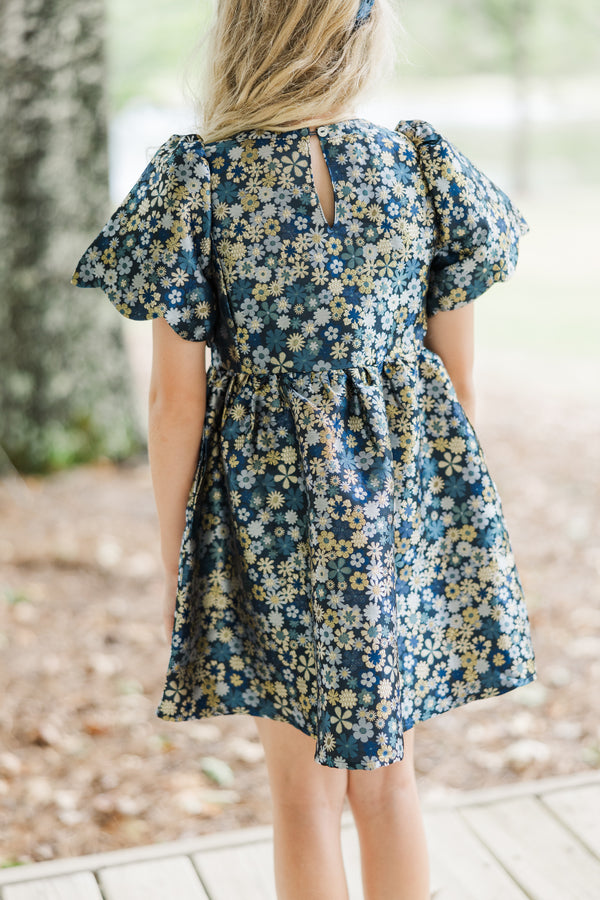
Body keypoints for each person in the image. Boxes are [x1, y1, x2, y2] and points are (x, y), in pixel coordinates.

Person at [72, 1, 537, 897]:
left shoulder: (198, 181)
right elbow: (459, 385)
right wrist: (444, 537)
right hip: (398, 515)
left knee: (299, 799)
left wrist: (181, 554)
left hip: (263, 517)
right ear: (356, 42)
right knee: (390, 781)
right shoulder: (419, 165)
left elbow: (175, 403)